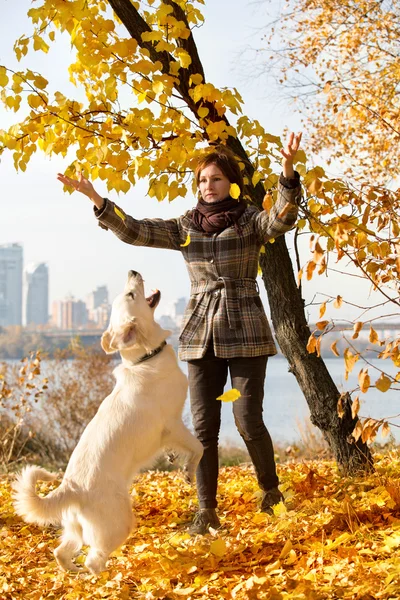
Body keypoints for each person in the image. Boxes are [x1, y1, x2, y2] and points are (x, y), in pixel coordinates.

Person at [57, 132, 302, 535]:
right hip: (199, 335)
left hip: (246, 330)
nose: (209, 186)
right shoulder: (184, 228)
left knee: (247, 419)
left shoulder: (249, 221)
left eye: (217, 179)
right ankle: (206, 512)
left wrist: (288, 171)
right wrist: (97, 200)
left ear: (231, 183)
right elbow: (134, 230)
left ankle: (271, 492)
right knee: (203, 428)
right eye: (203, 180)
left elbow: (281, 218)